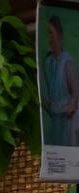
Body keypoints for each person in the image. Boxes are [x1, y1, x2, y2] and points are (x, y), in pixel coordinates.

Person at [43, 14, 79, 147]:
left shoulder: (67, 61)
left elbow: (76, 93)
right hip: (55, 119)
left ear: (60, 35)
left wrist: (72, 105)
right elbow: (49, 93)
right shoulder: (47, 63)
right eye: (48, 34)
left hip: (67, 120)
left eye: (52, 33)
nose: (50, 38)